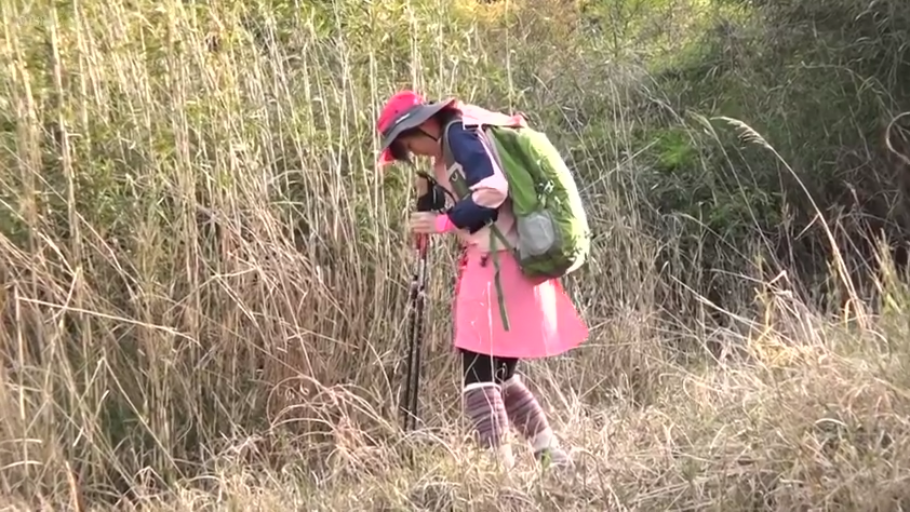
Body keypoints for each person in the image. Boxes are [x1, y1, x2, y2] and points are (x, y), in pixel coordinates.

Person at [376, 90, 589, 469]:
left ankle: (500, 473)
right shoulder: (462, 138)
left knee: (478, 378)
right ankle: (554, 460)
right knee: (502, 377)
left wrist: (443, 222)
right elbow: (475, 199)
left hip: (496, 269)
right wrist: (435, 205)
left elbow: (493, 189)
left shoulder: (458, 134)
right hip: (507, 264)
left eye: (407, 144)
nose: (413, 152)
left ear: (422, 126)